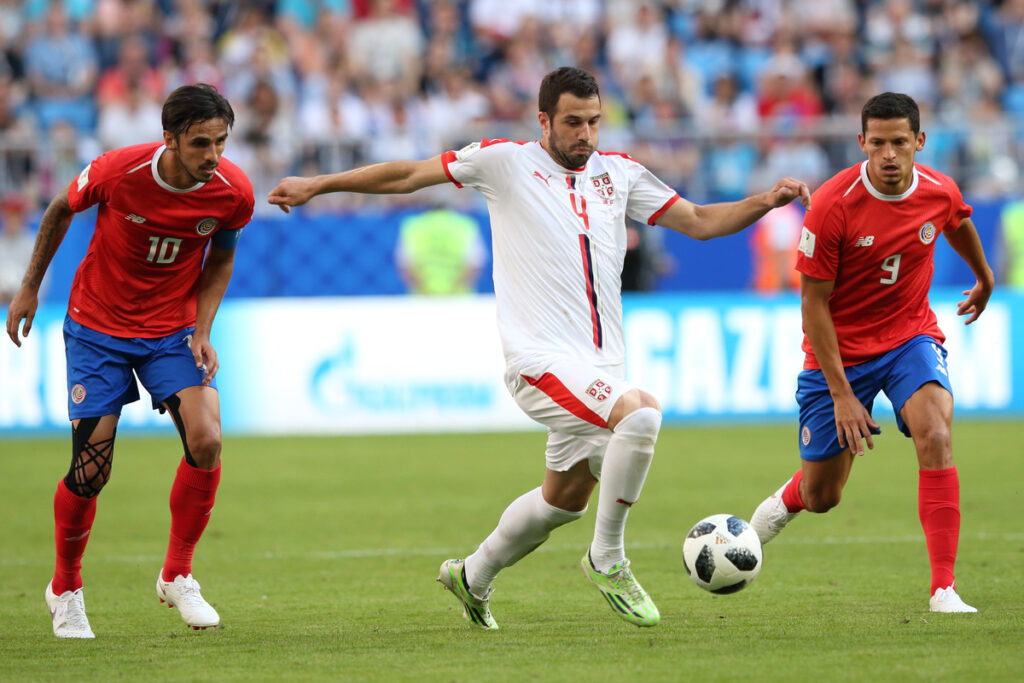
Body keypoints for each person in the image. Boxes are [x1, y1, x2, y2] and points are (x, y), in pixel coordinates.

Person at [268, 66, 809, 629]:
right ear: (545, 120)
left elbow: (697, 220)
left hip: (597, 367)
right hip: (539, 363)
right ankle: (608, 559)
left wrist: (766, 200)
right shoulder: (505, 161)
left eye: (594, 122)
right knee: (642, 413)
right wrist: (319, 184)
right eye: (573, 123)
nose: (586, 134)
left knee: (563, 500)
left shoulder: (618, 175)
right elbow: (408, 175)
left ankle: (472, 575)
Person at [5, 84, 255, 638]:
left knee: (208, 439)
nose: (212, 156)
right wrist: (28, 289)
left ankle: (178, 575)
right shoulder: (118, 171)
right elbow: (57, 210)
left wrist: (203, 330)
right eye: (199, 144)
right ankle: (65, 588)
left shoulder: (233, 191)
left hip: (170, 332)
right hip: (98, 329)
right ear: (169, 139)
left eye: (220, 142)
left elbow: (221, 259)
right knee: (92, 472)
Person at [749, 92, 994, 614]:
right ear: (861, 142)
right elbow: (813, 305)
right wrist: (841, 394)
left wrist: (984, 275)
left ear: (918, 143)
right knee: (824, 496)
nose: (888, 154)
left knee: (936, 432)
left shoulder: (937, 189)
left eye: (899, 143)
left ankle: (943, 589)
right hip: (839, 353)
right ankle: (786, 500)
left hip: (909, 336)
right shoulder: (832, 207)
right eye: (877, 143)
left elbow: (957, 220)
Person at [395, 206, 486, 295]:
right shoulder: (466, 224)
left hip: (422, 300)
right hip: (459, 300)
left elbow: (405, 266)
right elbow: (475, 265)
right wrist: (453, 290)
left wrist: (424, 289)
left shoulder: (413, 225)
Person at [0, 193, 36, 305]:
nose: (12, 221)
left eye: (16, 216)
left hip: (24, 306)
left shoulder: (32, 244)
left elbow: (41, 278)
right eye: (9, 216)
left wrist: (22, 297)